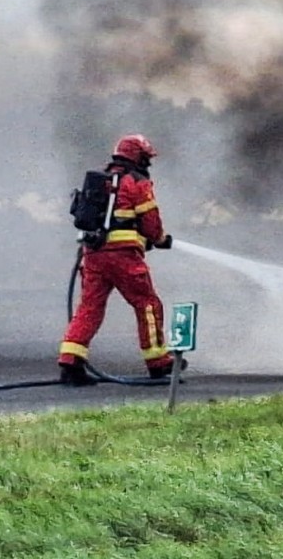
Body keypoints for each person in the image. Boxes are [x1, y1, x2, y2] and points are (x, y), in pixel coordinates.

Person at [57, 134, 176, 385]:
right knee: (148, 304)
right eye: (146, 158)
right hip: (123, 258)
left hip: (93, 255)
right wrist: (160, 239)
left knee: (90, 308)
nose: (148, 164)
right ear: (137, 157)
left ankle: (70, 363)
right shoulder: (137, 182)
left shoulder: (101, 181)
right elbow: (151, 223)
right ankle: (159, 362)